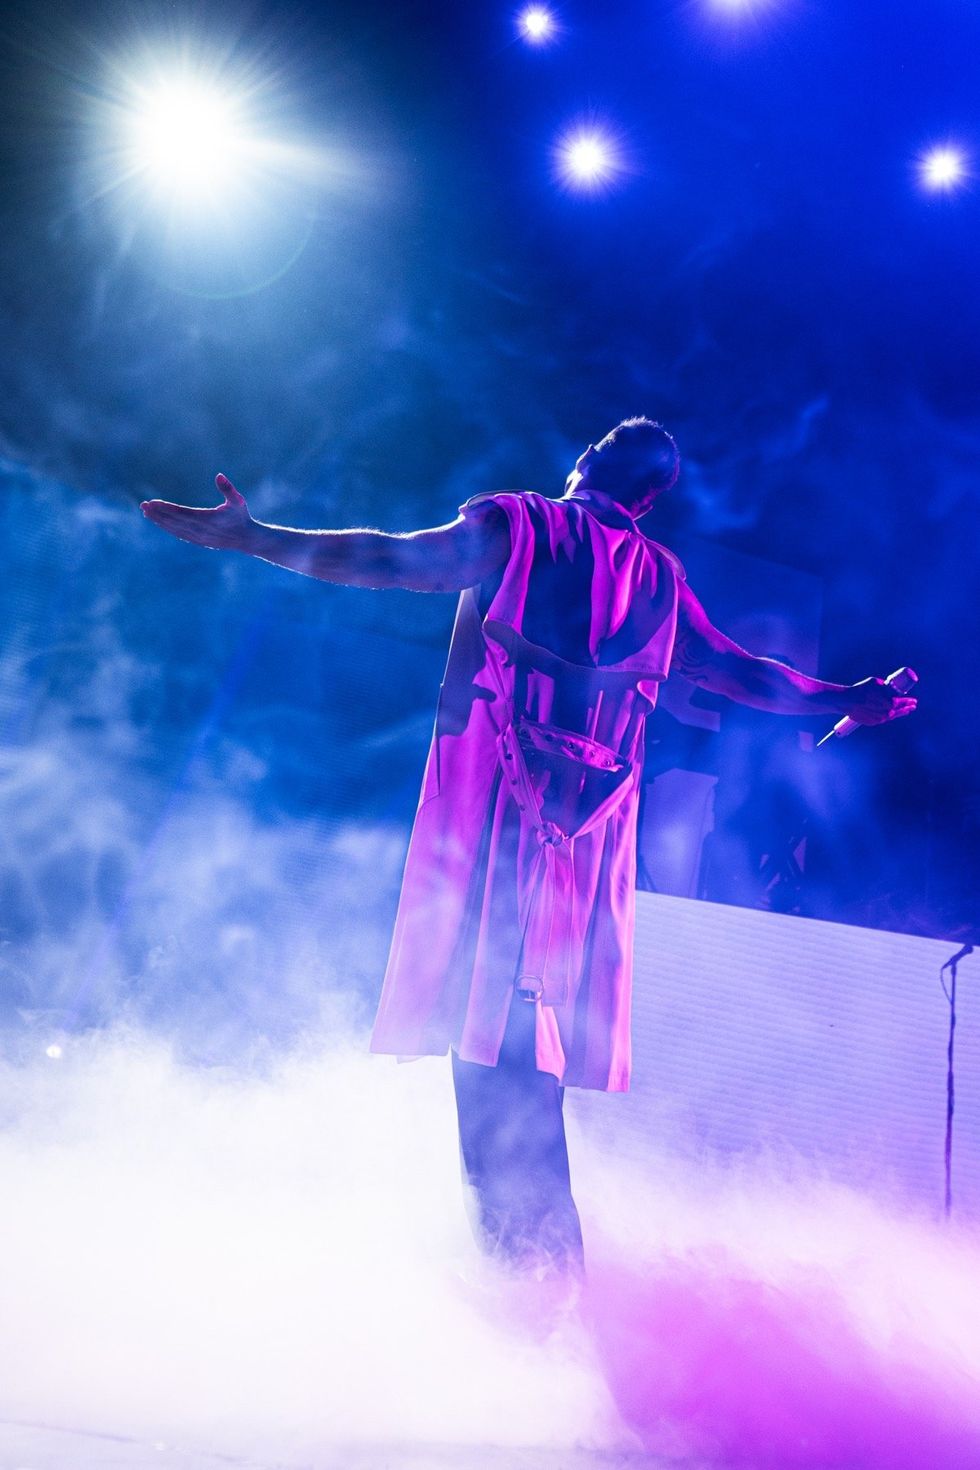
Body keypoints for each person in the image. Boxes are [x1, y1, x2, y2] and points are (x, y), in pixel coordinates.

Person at [141, 417, 915, 1276]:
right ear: (650, 501)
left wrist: (257, 539)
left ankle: (531, 1293)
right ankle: (547, 1289)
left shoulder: (523, 524)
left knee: (489, 1063)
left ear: (584, 463)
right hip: (581, 866)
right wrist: (848, 694)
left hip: (499, 832)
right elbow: (740, 671)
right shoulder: (661, 577)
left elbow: (397, 561)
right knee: (524, 1067)